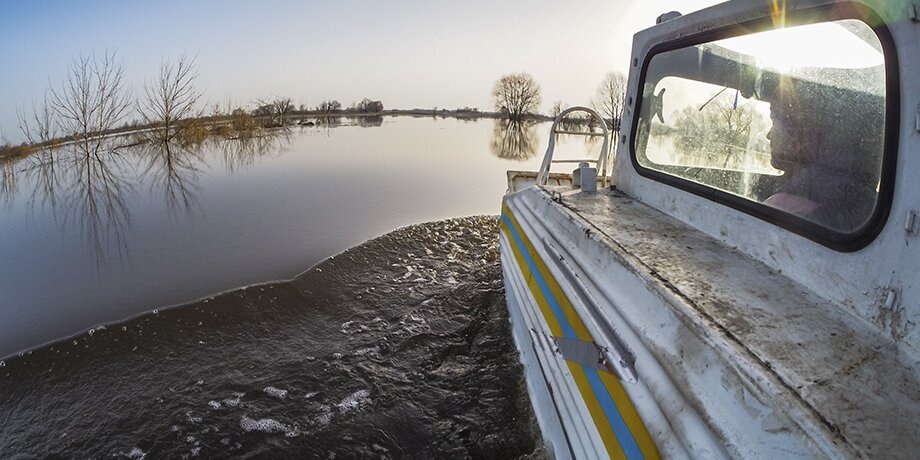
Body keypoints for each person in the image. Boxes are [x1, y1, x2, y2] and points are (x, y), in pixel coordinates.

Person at [762, 76, 884, 232]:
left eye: (774, 123)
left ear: (796, 139)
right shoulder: (869, 210)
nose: (768, 135)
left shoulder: (781, 209)